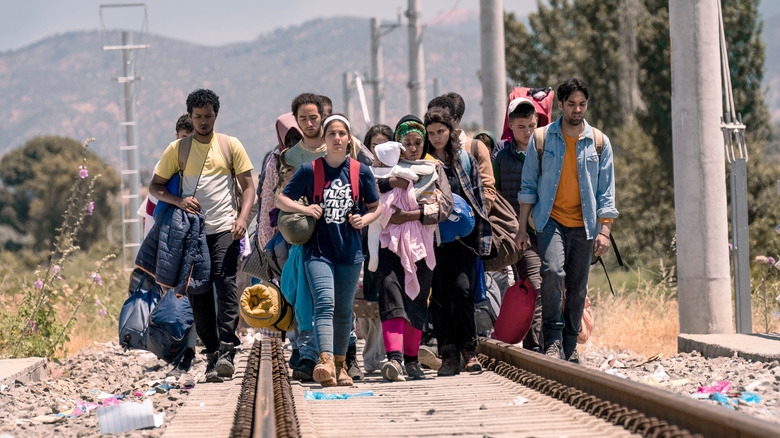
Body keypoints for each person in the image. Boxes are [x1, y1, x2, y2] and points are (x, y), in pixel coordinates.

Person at [149, 89, 255, 382]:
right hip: (191, 233)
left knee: (226, 284)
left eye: (208, 116)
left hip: (225, 228)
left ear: (216, 115)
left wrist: (242, 218)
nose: (203, 121)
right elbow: (155, 187)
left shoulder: (230, 145)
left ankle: (227, 349)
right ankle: (211, 354)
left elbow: (248, 187)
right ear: (191, 116)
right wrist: (179, 201)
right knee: (199, 292)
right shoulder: (177, 149)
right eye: (198, 117)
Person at [515, 78, 618, 362]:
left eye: (582, 104)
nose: (577, 109)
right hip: (550, 221)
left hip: (585, 225)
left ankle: (570, 344)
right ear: (560, 105)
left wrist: (605, 231)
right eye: (571, 104)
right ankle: (553, 338)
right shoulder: (542, 138)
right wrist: (522, 228)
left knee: (577, 285)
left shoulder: (598, 142)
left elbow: (606, 191)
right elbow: (528, 187)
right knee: (552, 272)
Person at [277, 114, 381, 387]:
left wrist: (365, 220)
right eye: (332, 133)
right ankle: (324, 361)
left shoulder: (361, 171)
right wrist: (305, 208)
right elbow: (281, 198)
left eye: (342, 134)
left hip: (350, 250)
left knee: (344, 310)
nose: (337, 138)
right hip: (318, 251)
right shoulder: (310, 170)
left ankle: (340, 365)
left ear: (349, 139)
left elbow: (376, 207)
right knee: (324, 304)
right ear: (324, 139)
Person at [375, 115, 454, 381]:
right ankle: (394, 360)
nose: (412, 148)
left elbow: (444, 207)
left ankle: (411, 362)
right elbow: (371, 191)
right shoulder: (386, 170)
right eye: (406, 142)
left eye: (417, 142)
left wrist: (408, 215)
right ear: (397, 144)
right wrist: (390, 185)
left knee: (417, 300)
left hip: (421, 246)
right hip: (389, 246)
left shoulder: (435, 170)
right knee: (391, 296)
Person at [424, 108, 491, 376]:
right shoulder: (422, 162)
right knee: (440, 296)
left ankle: (469, 351)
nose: (437, 137)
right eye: (431, 133)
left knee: (464, 291)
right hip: (434, 240)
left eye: (441, 131)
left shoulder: (464, 160)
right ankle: (448, 355)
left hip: (463, 240)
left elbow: (479, 197)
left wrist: (480, 236)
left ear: (450, 131)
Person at [493, 97, 544, 352]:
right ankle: (536, 346)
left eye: (531, 126)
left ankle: (550, 341)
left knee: (553, 281)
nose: (527, 132)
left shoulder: (548, 152)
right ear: (511, 126)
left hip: (548, 229)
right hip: (519, 234)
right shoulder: (501, 158)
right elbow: (494, 198)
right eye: (521, 126)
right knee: (535, 283)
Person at [357, 124, 394, 374]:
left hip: (393, 244)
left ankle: (385, 354)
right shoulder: (361, 173)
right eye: (373, 147)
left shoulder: (401, 173)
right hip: (367, 244)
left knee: (387, 301)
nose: (378, 153)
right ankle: (371, 356)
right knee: (368, 305)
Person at [430, 92, 496, 211]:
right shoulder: (427, 152)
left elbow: (487, 189)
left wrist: (471, 217)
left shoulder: (475, 149)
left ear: (457, 119)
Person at [138, 114, 193, 237]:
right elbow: (152, 205)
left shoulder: (198, 165)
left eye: (192, 138)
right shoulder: (164, 166)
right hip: (161, 229)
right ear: (177, 137)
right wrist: (179, 202)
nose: (188, 144)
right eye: (184, 138)